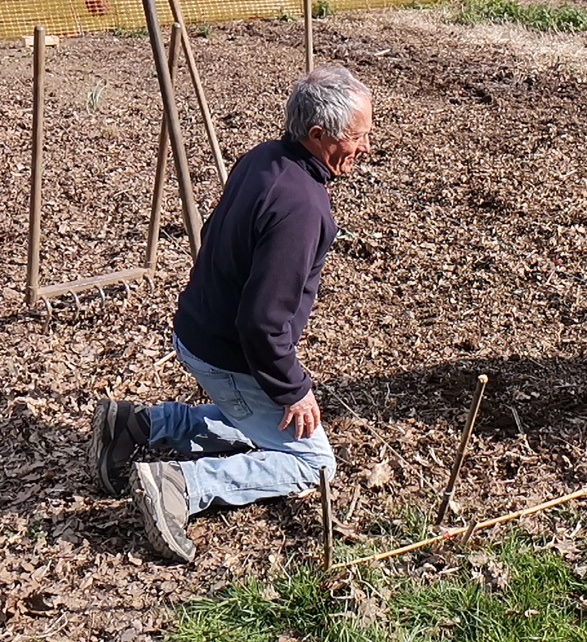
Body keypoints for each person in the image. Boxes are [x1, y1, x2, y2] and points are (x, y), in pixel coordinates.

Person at [87, 66, 374, 562]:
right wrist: (293, 388)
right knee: (313, 462)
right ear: (318, 135)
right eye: (358, 136)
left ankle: (139, 426)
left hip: (197, 329)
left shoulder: (264, 159)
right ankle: (179, 485)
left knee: (253, 424)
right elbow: (261, 322)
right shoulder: (304, 207)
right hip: (229, 353)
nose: (365, 148)